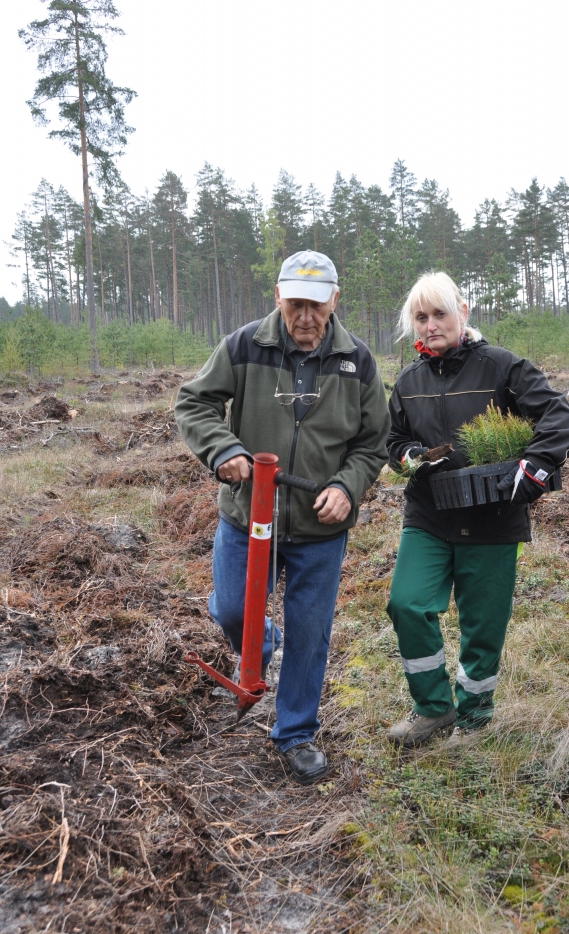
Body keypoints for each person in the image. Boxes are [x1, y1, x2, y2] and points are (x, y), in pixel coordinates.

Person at [175, 250, 390, 783]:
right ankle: (259, 643)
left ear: (334, 301)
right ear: (278, 297)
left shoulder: (358, 361)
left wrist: (348, 486)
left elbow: (373, 443)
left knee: (311, 632)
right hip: (249, 517)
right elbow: (193, 403)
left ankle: (295, 733)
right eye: (295, 304)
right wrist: (222, 449)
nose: (305, 318)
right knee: (230, 609)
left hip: (320, 526)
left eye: (316, 305)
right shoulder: (245, 346)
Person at [385, 271, 569, 747]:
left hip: (494, 516)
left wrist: (535, 465)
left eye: (440, 314)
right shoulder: (408, 381)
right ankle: (433, 709)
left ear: (463, 313)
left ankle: (474, 717)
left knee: (482, 625)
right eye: (421, 317)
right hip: (429, 516)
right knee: (406, 603)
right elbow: (394, 439)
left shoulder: (501, 367)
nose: (431, 325)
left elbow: (558, 416)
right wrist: (407, 456)